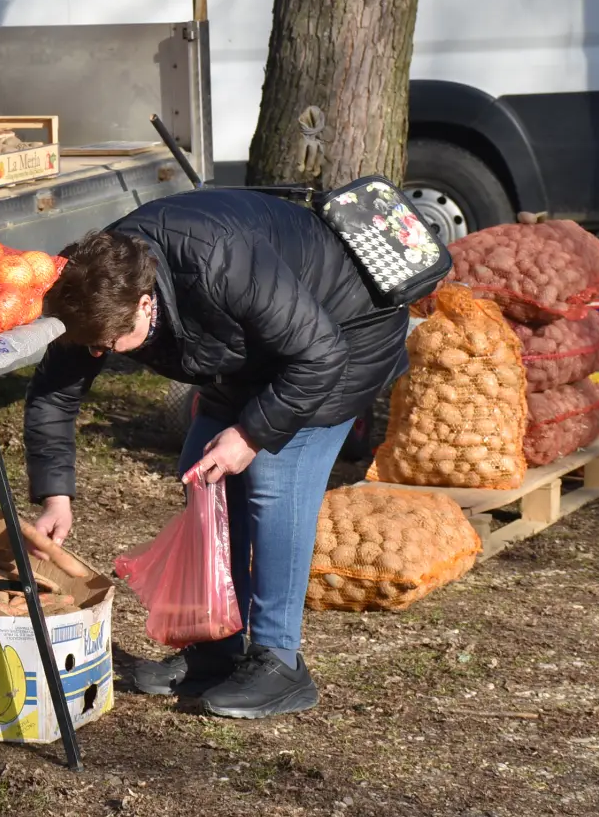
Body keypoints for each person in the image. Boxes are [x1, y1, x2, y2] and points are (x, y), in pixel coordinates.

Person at [23, 188, 409, 719]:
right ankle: (218, 648)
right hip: (248, 350)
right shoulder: (93, 290)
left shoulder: (218, 261)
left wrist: (250, 435)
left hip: (344, 336)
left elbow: (319, 355)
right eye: (92, 345)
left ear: (145, 301)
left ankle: (279, 663)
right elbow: (54, 394)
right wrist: (54, 495)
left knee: (274, 474)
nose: (101, 355)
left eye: (113, 342)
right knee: (201, 471)